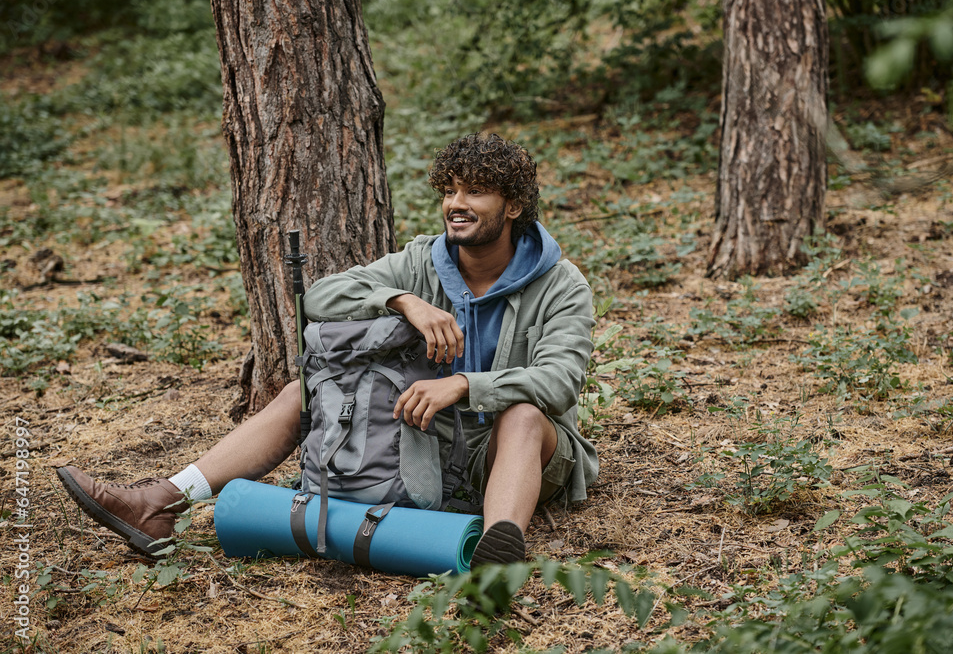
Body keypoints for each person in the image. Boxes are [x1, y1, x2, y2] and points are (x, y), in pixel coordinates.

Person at [57, 133, 598, 567]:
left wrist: (464, 384)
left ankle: (497, 552)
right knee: (305, 391)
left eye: (474, 192)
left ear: (514, 205)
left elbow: (559, 381)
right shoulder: (421, 261)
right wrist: (403, 300)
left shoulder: (560, 283)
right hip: (425, 436)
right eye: (450, 190)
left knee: (524, 415)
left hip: (511, 452)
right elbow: (321, 297)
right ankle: (162, 502)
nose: (455, 204)